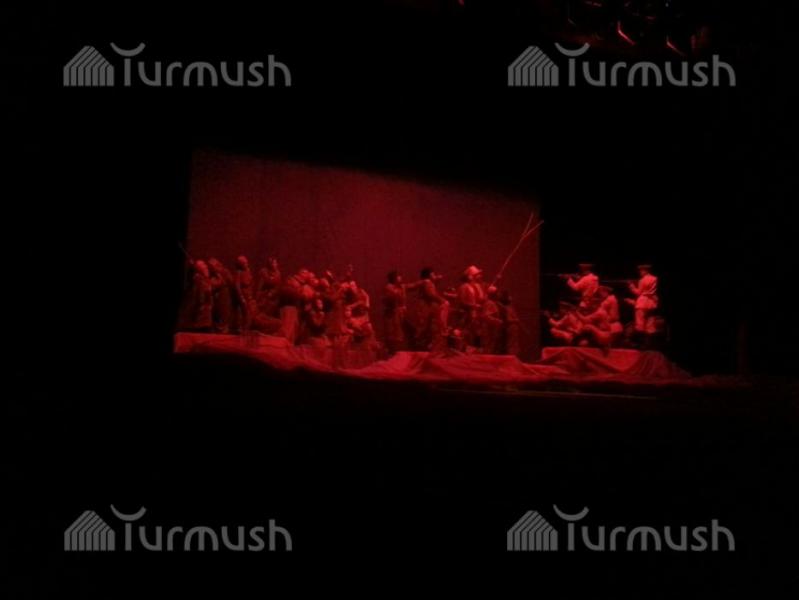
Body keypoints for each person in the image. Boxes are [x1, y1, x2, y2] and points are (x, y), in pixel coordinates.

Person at [414, 267, 449, 352]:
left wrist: (437, 278)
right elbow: (431, 294)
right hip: (425, 309)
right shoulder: (427, 283)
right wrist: (442, 300)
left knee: (427, 327)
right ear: (429, 275)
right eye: (433, 274)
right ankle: (421, 347)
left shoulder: (427, 282)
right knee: (425, 327)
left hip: (427, 308)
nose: (434, 275)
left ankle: (425, 346)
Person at [627, 263, 659, 347]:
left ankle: (641, 344)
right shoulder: (655, 278)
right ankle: (651, 344)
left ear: (645, 271)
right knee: (650, 324)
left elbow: (638, 292)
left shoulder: (642, 280)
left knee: (640, 323)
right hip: (651, 303)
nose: (640, 273)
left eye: (641, 271)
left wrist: (631, 286)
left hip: (642, 302)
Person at [178, 259, 213, 332]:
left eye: (205, 265)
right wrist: (201, 305)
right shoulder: (198, 279)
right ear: (199, 269)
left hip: (206, 312)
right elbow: (199, 295)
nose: (206, 266)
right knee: (200, 330)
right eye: (203, 265)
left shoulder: (205, 280)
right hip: (201, 313)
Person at [208, 258, 234, 333]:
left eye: (214, 266)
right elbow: (212, 286)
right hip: (217, 298)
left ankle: (224, 329)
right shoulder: (212, 277)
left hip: (225, 296)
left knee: (224, 312)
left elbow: (231, 282)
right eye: (211, 267)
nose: (213, 268)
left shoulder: (225, 272)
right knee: (217, 314)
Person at [233, 255, 256, 332]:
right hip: (242, 296)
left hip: (248, 296)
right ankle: (240, 329)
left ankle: (246, 329)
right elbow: (237, 286)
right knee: (243, 313)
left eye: (246, 263)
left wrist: (251, 295)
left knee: (248, 313)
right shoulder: (238, 273)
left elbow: (251, 283)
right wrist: (241, 297)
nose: (246, 264)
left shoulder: (248, 271)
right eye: (244, 263)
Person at [480, 286, 504, 354]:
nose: (498, 294)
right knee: (488, 348)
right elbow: (486, 316)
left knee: (490, 347)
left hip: (491, 330)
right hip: (488, 330)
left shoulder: (491, 303)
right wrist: (497, 321)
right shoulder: (489, 303)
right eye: (496, 293)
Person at [498, 290, 522, 357]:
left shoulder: (510, 307)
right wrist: (516, 320)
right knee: (511, 343)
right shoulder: (506, 308)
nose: (511, 298)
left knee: (514, 343)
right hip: (511, 327)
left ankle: (514, 355)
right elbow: (508, 319)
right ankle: (511, 356)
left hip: (513, 327)